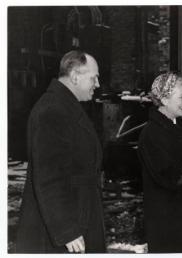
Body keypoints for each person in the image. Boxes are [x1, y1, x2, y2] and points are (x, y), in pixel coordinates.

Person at [16, 50, 106, 253]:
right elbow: (49, 178)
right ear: (75, 76)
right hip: (63, 231)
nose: (98, 84)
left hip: (78, 214)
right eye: (94, 77)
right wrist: (67, 230)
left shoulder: (64, 106)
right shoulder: (52, 111)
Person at [138, 72, 182, 253]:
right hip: (167, 223)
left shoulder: (177, 126)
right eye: (181, 97)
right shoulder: (152, 134)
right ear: (165, 100)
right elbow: (170, 177)